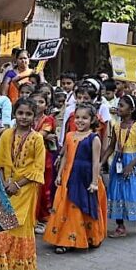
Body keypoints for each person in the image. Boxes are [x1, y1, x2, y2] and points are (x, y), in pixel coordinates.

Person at [0, 98, 44, 270]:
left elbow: (38, 169)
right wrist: (4, 182)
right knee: (3, 225)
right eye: (20, 113)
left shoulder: (37, 139)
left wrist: (17, 184)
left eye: (28, 114)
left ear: (34, 116)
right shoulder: (6, 135)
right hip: (6, 188)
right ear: (14, 114)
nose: (24, 117)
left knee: (18, 226)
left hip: (25, 189)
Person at [43, 103, 107, 254]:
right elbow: (65, 156)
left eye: (84, 118)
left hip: (85, 178)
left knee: (81, 206)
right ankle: (65, 240)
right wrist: (59, 174)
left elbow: (95, 162)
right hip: (68, 177)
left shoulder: (93, 138)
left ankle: (88, 237)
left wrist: (94, 182)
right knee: (67, 208)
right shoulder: (70, 135)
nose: (80, 121)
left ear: (92, 120)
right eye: (77, 117)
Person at [103, 95, 136, 236]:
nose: (118, 108)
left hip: (134, 162)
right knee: (117, 191)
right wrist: (100, 162)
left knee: (135, 191)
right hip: (119, 161)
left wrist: (131, 165)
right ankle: (120, 225)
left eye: (122, 105)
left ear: (131, 109)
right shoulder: (116, 126)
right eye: (118, 105)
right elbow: (111, 147)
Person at [31, 91, 57, 230]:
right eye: (35, 101)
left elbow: (40, 135)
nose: (37, 104)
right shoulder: (28, 117)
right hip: (29, 156)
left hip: (44, 157)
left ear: (46, 105)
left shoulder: (48, 120)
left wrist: (43, 136)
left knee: (44, 188)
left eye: (41, 102)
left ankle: (44, 218)